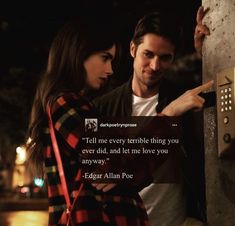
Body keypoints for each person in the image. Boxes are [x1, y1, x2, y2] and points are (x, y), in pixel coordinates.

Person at [26, 14, 152, 226]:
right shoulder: (64, 103)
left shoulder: (78, 105)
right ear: (78, 54)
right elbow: (114, 159)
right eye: (105, 58)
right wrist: (171, 115)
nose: (110, 70)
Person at [93, 6, 212, 226]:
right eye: (148, 54)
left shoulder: (182, 99)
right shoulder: (102, 108)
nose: (155, 66)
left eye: (165, 58)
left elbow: (218, 100)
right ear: (132, 49)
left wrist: (207, 53)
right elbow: (100, 174)